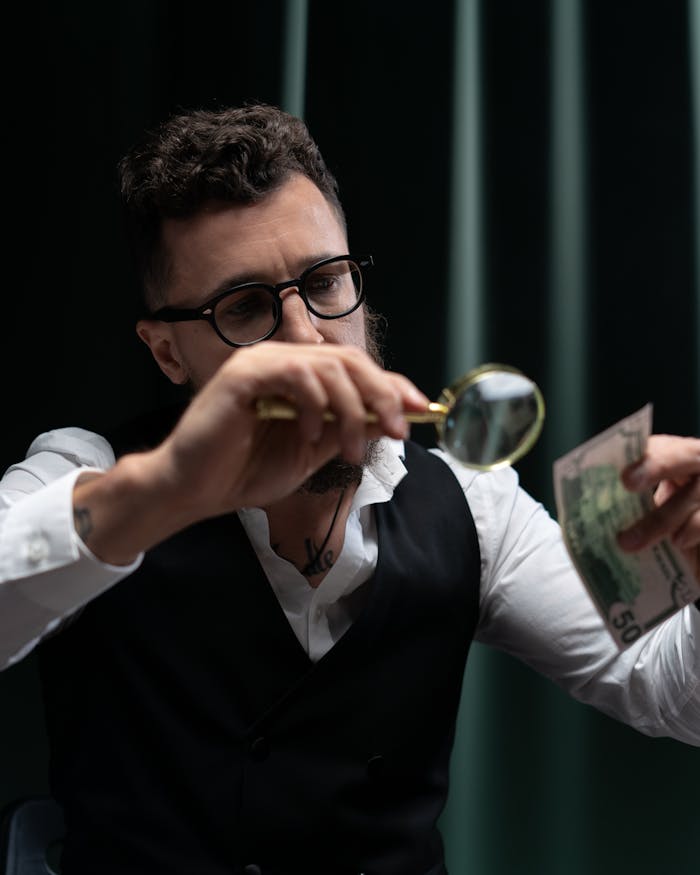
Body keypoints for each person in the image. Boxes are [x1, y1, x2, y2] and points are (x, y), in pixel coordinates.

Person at [0, 103, 698, 875]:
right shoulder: (87, 475)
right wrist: (166, 491)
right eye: (244, 308)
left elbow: (669, 690)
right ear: (167, 352)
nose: (306, 338)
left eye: (325, 283)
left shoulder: (474, 505)